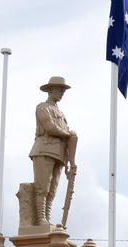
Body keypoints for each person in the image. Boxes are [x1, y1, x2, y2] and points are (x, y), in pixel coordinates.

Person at [29, 76, 76, 226]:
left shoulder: (61, 113)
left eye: (63, 90)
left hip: (59, 153)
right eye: (59, 89)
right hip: (44, 149)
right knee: (43, 187)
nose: (62, 93)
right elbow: (49, 127)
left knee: (52, 189)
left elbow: (65, 134)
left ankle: (47, 218)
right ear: (50, 90)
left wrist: (70, 160)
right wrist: (68, 134)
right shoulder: (43, 107)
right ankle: (41, 218)